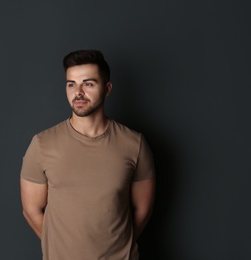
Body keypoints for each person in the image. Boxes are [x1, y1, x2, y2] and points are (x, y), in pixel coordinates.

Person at [20, 50, 156, 260]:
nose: (78, 92)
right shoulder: (42, 144)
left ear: (107, 88)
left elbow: (143, 209)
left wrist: (117, 247)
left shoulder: (134, 144)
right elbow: (31, 210)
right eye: (71, 84)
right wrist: (60, 248)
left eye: (88, 83)